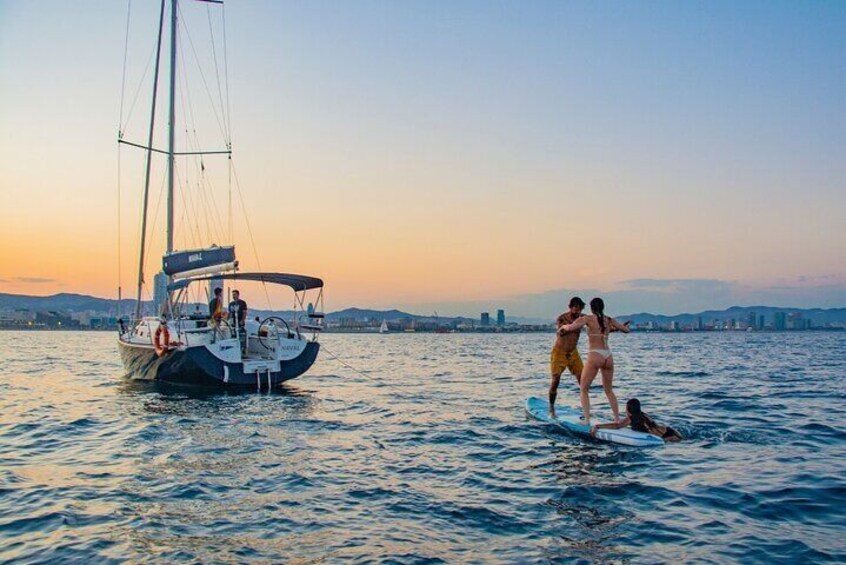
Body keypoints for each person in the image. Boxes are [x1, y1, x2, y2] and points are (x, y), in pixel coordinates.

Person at [559, 297, 630, 424]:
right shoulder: (609, 320)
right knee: (609, 390)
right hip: (608, 356)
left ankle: (586, 420)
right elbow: (626, 330)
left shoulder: (587, 319)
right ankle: (617, 419)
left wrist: (562, 327)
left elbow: (571, 327)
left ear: (591, 308)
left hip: (595, 355)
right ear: (603, 307)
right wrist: (621, 327)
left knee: (584, 389)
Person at [549, 296, 586, 418]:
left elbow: (598, 325)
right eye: (575, 308)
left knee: (583, 381)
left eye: (579, 308)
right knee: (556, 381)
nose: (577, 310)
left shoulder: (583, 318)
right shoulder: (562, 318)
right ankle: (551, 408)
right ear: (570, 307)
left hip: (573, 352)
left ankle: (585, 410)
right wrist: (568, 327)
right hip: (559, 352)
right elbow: (560, 331)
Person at [591, 398, 682, 442]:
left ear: (629, 410)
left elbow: (617, 425)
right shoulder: (644, 415)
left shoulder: (631, 419)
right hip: (672, 431)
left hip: (667, 438)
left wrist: (597, 426)